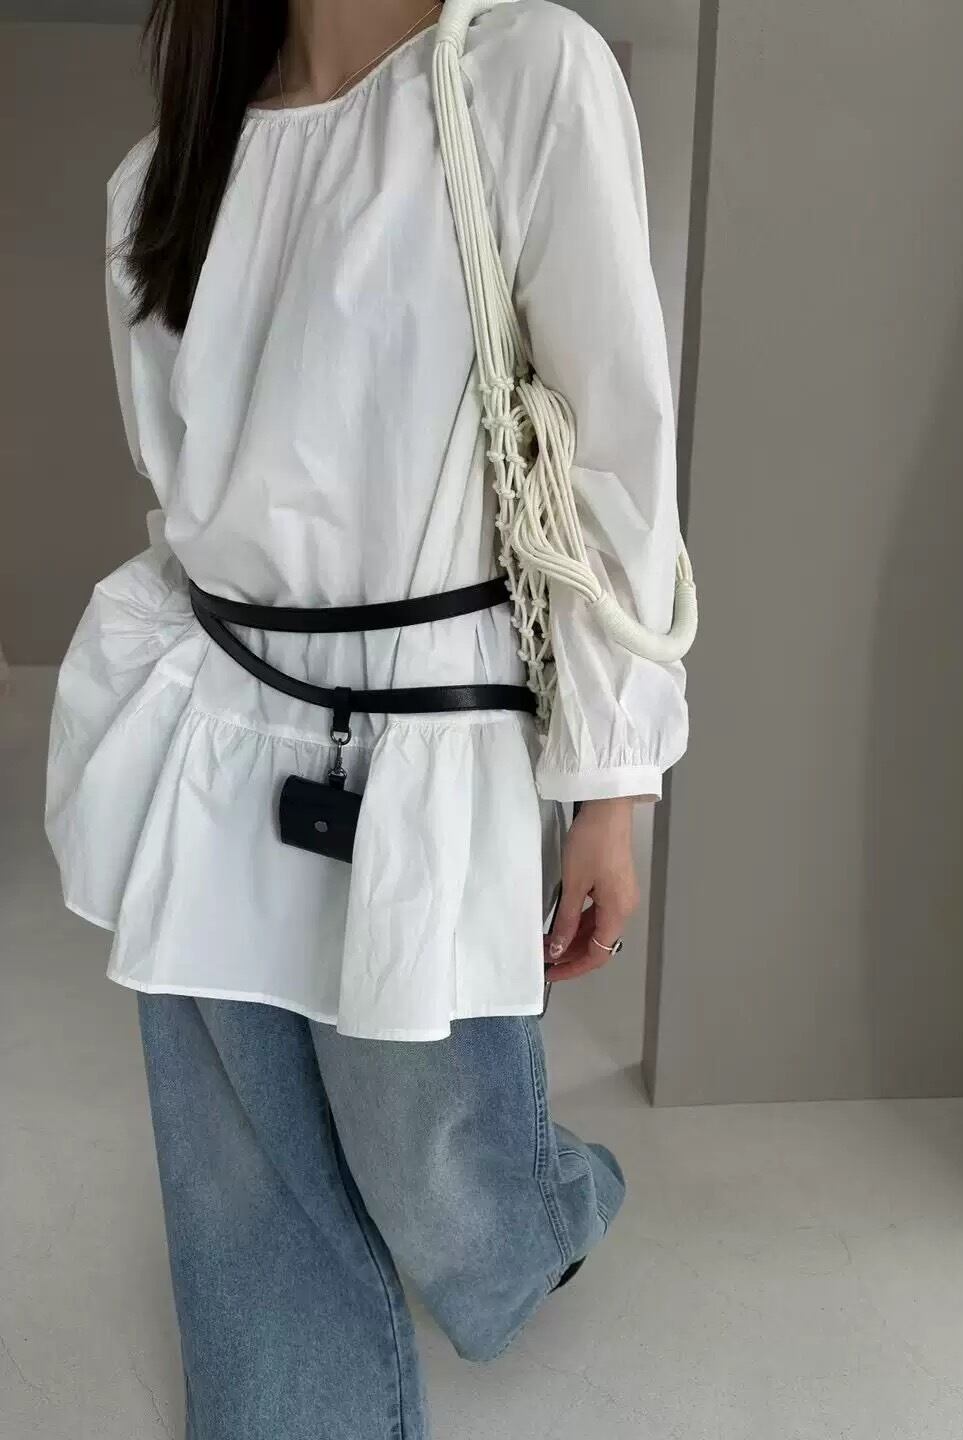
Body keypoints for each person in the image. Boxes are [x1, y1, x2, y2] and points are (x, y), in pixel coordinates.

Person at [44, 0, 689, 1434]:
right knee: (240, 1168)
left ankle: (544, 1211)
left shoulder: (522, 74)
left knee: (438, 1166)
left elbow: (615, 454)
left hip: (432, 712)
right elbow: (185, 482)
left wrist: (613, 781)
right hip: (220, 713)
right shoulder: (164, 176)